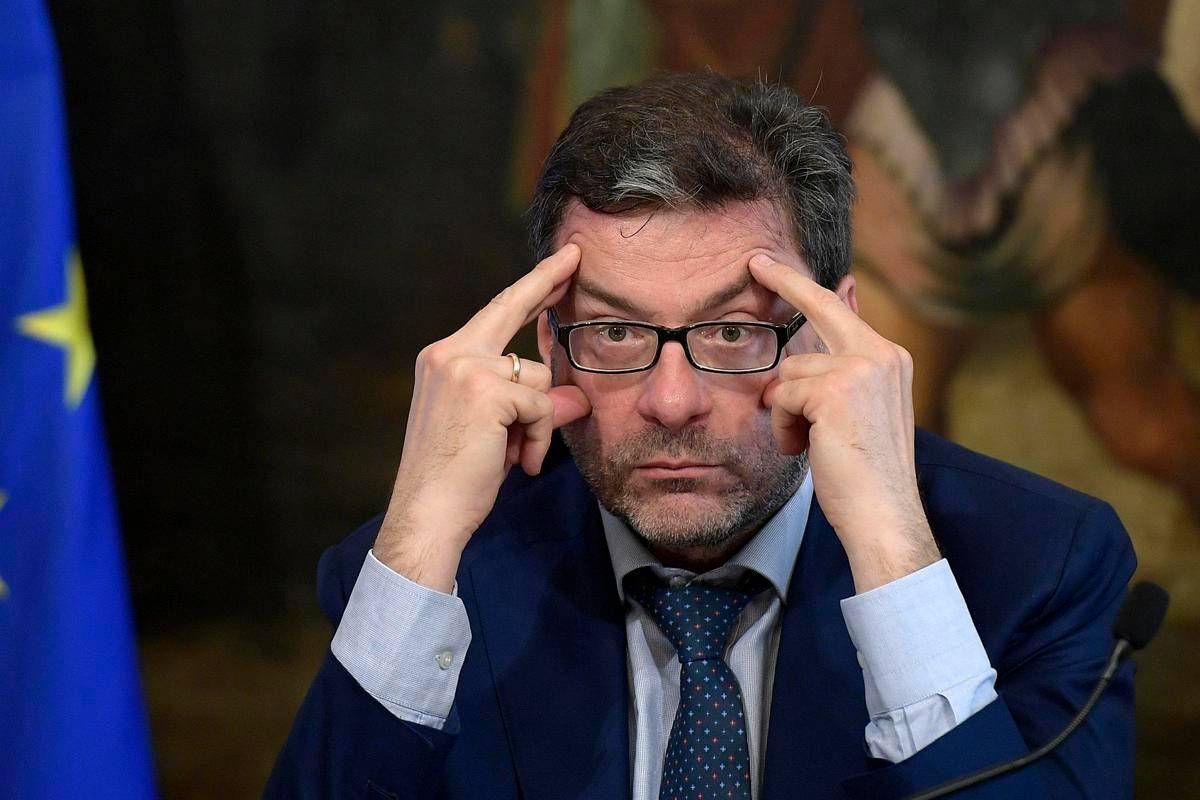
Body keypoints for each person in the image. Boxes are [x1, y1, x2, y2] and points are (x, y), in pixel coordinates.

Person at [266, 72, 1136, 799]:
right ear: (550, 345)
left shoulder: (1042, 565)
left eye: (732, 331)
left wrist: (892, 557)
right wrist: (418, 538)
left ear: (836, 336)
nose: (672, 401)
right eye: (615, 332)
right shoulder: (438, 579)